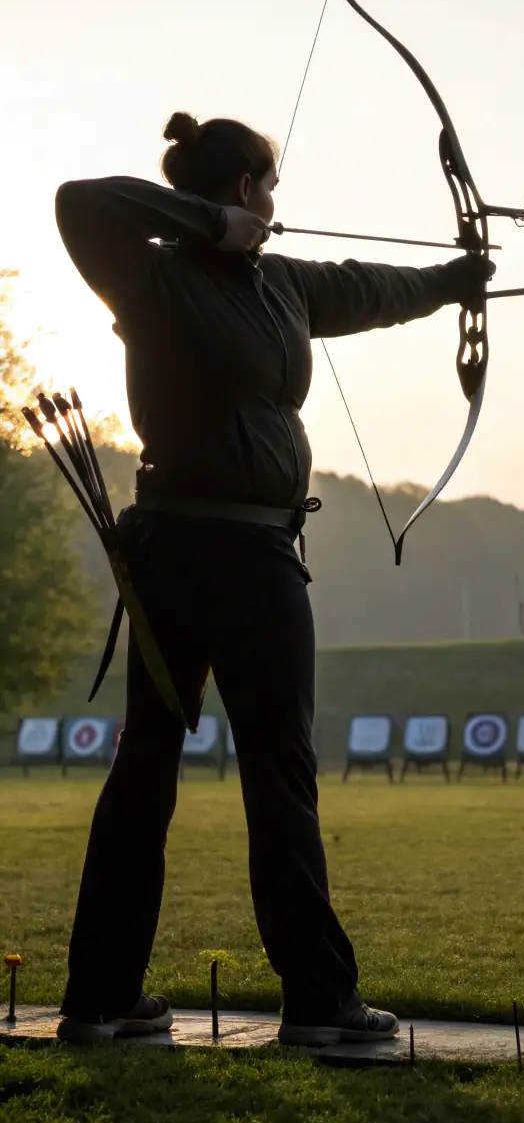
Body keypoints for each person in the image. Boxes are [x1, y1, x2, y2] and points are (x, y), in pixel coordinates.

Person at [53, 111, 493, 1045]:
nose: (278, 204)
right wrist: (209, 224)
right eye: (269, 188)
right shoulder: (151, 274)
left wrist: (454, 280)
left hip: (253, 551)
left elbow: (368, 287)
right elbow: (79, 202)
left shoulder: (282, 284)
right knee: (165, 768)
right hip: (190, 553)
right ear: (246, 190)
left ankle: (173, 998)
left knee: (268, 770)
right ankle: (140, 999)